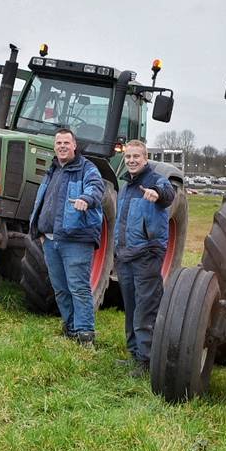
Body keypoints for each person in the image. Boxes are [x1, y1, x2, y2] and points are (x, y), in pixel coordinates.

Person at [29, 127, 105, 346]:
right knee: (61, 288)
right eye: (58, 143)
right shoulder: (52, 169)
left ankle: (85, 335)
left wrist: (86, 198)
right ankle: (70, 328)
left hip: (76, 240)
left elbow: (96, 188)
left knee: (78, 287)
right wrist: (41, 232)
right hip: (51, 240)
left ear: (74, 146)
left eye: (66, 143)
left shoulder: (87, 169)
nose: (62, 146)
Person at [114, 139, 175, 375]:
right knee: (130, 307)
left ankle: (147, 360)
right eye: (128, 157)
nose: (131, 161)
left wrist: (157, 194)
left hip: (146, 256)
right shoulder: (126, 186)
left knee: (145, 309)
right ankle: (134, 354)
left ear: (145, 158)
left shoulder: (156, 180)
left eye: (136, 157)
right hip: (125, 256)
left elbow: (168, 194)